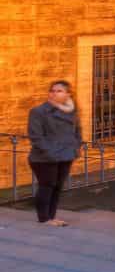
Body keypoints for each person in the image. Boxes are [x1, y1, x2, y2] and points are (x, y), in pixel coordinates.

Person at [27, 80, 83, 227]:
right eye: (52, 90)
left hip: (66, 155)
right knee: (47, 185)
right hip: (44, 157)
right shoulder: (38, 111)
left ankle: (52, 217)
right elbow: (36, 137)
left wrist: (75, 148)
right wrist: (52, 153)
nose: (54, 93)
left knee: (57, 187)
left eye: (59, 91)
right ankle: (44, 218)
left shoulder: (72, 111)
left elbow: (77, 132)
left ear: (68, 94)